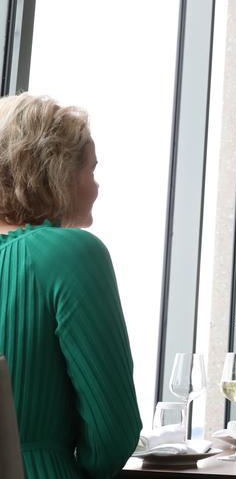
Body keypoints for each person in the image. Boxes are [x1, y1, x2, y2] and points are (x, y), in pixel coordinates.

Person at [0, 93, 142, 478]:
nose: (96, 187)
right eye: (91, 171)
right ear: (57, 173)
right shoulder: (72, 253)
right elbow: (114, 432)